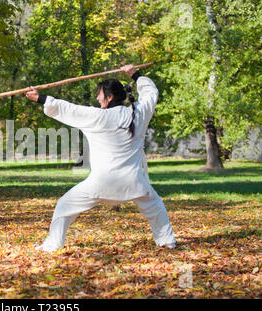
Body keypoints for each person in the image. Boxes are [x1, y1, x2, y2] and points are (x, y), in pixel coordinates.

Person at [25, 64, 177, 252]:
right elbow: (151, 94)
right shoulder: (138, 113)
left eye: (100, 94)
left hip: (101, 183)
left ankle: (52, 245)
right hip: (134, 183)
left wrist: (40, 98)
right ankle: (167, 241)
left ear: (109, 97)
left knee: (64, 206)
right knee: (155, 207)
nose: (97, 97)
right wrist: (135, 74)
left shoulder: (96, 117)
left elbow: (69, 109)